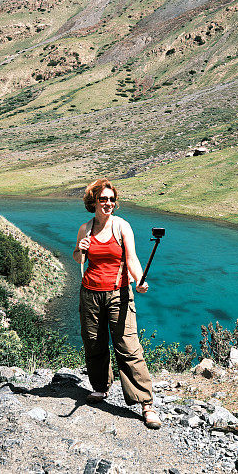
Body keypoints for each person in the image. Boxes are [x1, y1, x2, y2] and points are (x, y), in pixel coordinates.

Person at [72, 178, 161, 429]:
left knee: (128, 346)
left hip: (118, 293)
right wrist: (80, 249)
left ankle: (146, 403)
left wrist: (139, 280)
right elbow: (78, 258)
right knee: (94, 343)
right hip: (90, 293)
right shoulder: (85, 229)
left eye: (112, 199)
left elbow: (132, 259)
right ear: (94, 201)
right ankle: (100, 388)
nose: (108, 203)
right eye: (103, 199)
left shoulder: (122, 227)